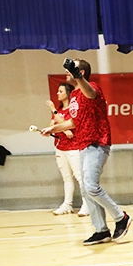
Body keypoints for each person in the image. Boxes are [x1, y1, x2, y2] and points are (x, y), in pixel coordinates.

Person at [40, 58, 131, 245]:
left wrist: (77, 77)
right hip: (82, 144)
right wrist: (53, 129)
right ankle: (101, 230)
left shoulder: (93, 88)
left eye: (71, 72)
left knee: (90, 186)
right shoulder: (74, 96)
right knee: (85, 188)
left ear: (80, 74)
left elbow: (89, 93)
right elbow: (74, 122)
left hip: (97, 143)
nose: (67, 74)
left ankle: (121, 217)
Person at [46, 82, 86, 217]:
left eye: (60, 91)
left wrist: (54, 111)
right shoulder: (59, 111)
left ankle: (86, 204)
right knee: (66, 178)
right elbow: (52, 125)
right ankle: (67, 204)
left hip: (74, 147)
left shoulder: (71, 110)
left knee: (79, 176)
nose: (58, 94)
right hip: (60, 147)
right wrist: (61, 125)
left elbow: (64, 124)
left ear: (67, 94)